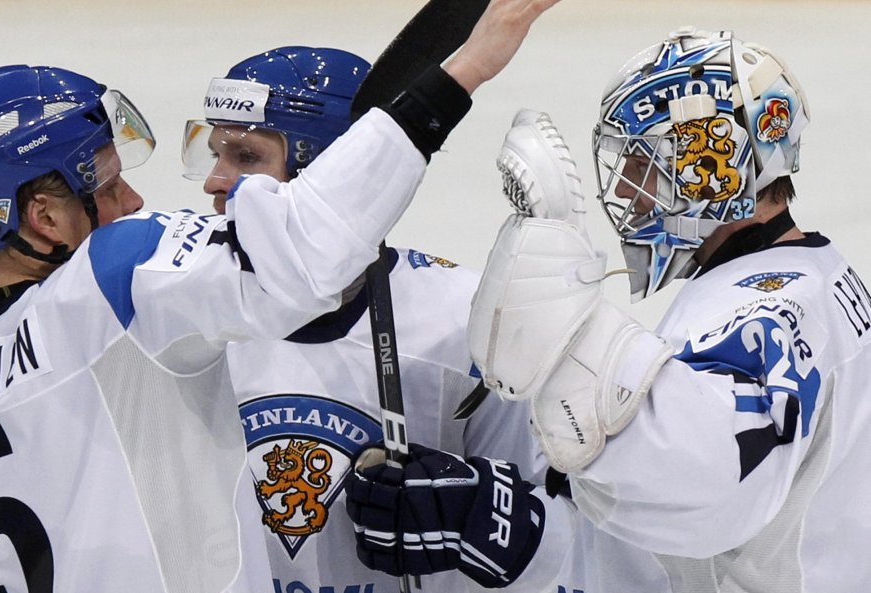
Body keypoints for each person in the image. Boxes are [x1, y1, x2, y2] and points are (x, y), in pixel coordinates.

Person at [0, 1, 565, 592]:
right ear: (44, 218)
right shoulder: (121, 290)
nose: (140, 199)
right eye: (110, 184)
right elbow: (303, 249)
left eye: (243, 157)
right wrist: (466, 65)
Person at [349, 27, 871, 593]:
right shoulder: (807, 278)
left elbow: (707, 484)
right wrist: (492, 510)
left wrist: (563, 319)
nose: (627, 189)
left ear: (714, 172)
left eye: (645, 164)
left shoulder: (767, 309)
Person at [182, 45, 565, 593]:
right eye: (215, 152)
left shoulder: (466, 317)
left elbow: (539, 517)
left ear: (333, 175)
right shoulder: (179, 312)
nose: (214, 182)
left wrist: (475, 510)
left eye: (244, 156)